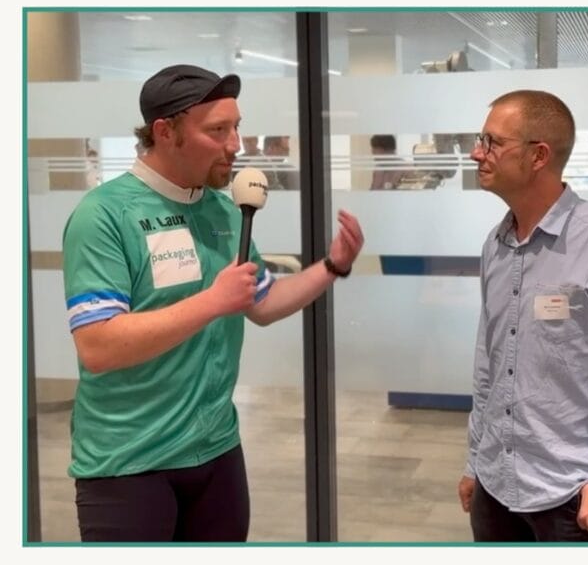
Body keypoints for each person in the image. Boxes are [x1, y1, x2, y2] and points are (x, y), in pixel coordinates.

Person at [61, 64, 365, 542]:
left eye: (237, 127)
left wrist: (332, 266)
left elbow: (261, 301)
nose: (236, 145)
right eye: (218, 131)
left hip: (217, 453)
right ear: (166, 132)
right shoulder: (103, 215)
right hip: (129, 464)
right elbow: (98, 345)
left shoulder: (223, 209)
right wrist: (213, 302)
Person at [458, 90, 588, 542]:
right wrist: (476, 462)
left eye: (492, 142)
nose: (477, 153)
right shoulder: (495, 245)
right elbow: (489, 366)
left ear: (538, 156)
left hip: (573, 502)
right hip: (495, 491)